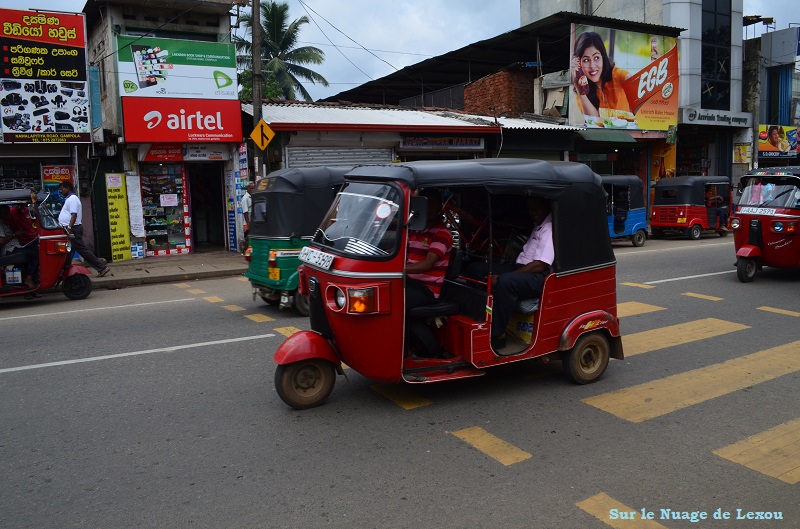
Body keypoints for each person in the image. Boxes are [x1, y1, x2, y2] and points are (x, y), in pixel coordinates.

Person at [469, 197, 554, 349]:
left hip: (538, 276)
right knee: (476, 269)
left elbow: (540, 265)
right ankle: (479, 318)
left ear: (546, 206)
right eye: (531, 209)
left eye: (536, 208)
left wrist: (502, 277)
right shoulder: (538, 224)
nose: (533, 213)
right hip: (522, 267)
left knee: (505, 281)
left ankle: (498, 334)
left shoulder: (550, 227)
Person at [404, 189, 453, 311]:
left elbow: (427, 265)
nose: (428, 208)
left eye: (432, 204)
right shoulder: (416, 229)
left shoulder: (442, 233)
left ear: (439, 208)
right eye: (425, 204)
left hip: (427, 289)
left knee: (393, 300)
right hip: (410, 283)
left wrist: (398, 270)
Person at [572, 31, 631, 118]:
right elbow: (594, 120)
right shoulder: (581, 92)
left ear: (603, 58)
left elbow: (636, 80)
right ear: (579, 64)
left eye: (596, 58)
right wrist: (580, 87)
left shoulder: (616, 74)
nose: (592, 66)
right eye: (586, 60)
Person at [58, 181, 110, 277]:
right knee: (68, 251)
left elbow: (74, 215)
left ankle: (102, 267)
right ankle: (64, 271)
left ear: (67, 188)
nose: (61, 191)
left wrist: (69, 228)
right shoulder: (69, 199)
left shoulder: (72, 199)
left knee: (82, 250)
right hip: (71, 229)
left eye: (62, 189)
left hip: (73, 229)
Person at [0, 206, 36, 293]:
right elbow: (1, 241)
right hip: (9, 250)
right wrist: (15, 235)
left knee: (32, 251)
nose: (9, 214)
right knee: (34, 254)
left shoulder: (5, 222)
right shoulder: (0, 224)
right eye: (6, 212)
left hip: (16, 247)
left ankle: (27, 286)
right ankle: (28, 278)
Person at [240, 181, 254, 247]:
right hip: (247, 222)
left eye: (254, 188)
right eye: (251, 188)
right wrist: (249, 224)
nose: (253, 190)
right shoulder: (245, 198)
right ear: (248, 188)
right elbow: (245, 212)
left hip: (252, 221)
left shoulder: (252, 197)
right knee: (248, 238)